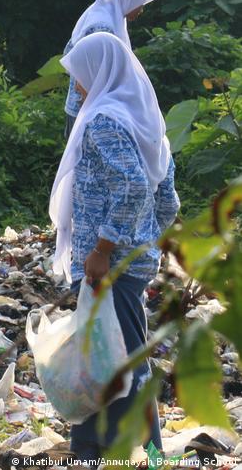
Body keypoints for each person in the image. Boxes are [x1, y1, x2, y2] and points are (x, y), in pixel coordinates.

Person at [51, 32, 179, 464]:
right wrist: (144, 239)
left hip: (111, 263)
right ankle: (88, 449)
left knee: (123, 362)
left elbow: (132, 185)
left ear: (100, 72)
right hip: (130, 259)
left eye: (80, 78)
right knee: (101, 356)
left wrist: (105, 247)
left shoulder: (105, 120)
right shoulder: (147, 123)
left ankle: (152, 455)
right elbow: (168, 199)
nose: (78, 87)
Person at [63, 0, 157, 137]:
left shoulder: (108, 15)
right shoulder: (102, 26)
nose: (141, 9)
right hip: (90, 111)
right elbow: (88, 74)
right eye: (140, 3)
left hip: (96, 109)